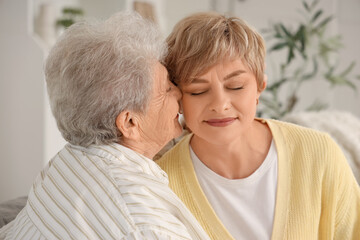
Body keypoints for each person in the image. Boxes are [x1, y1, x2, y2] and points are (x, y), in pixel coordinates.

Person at [0, 11, 210, 240]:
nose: (179, 93)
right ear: (129, 123)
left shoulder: (67, 162)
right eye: (167, 88)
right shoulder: (144, 224)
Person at [157, 12, 360, 239]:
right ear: (177, 99)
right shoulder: (161, 183)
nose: (220, 105)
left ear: (260, 87)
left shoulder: (318, 154)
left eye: (235, 86)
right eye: (198, 91)